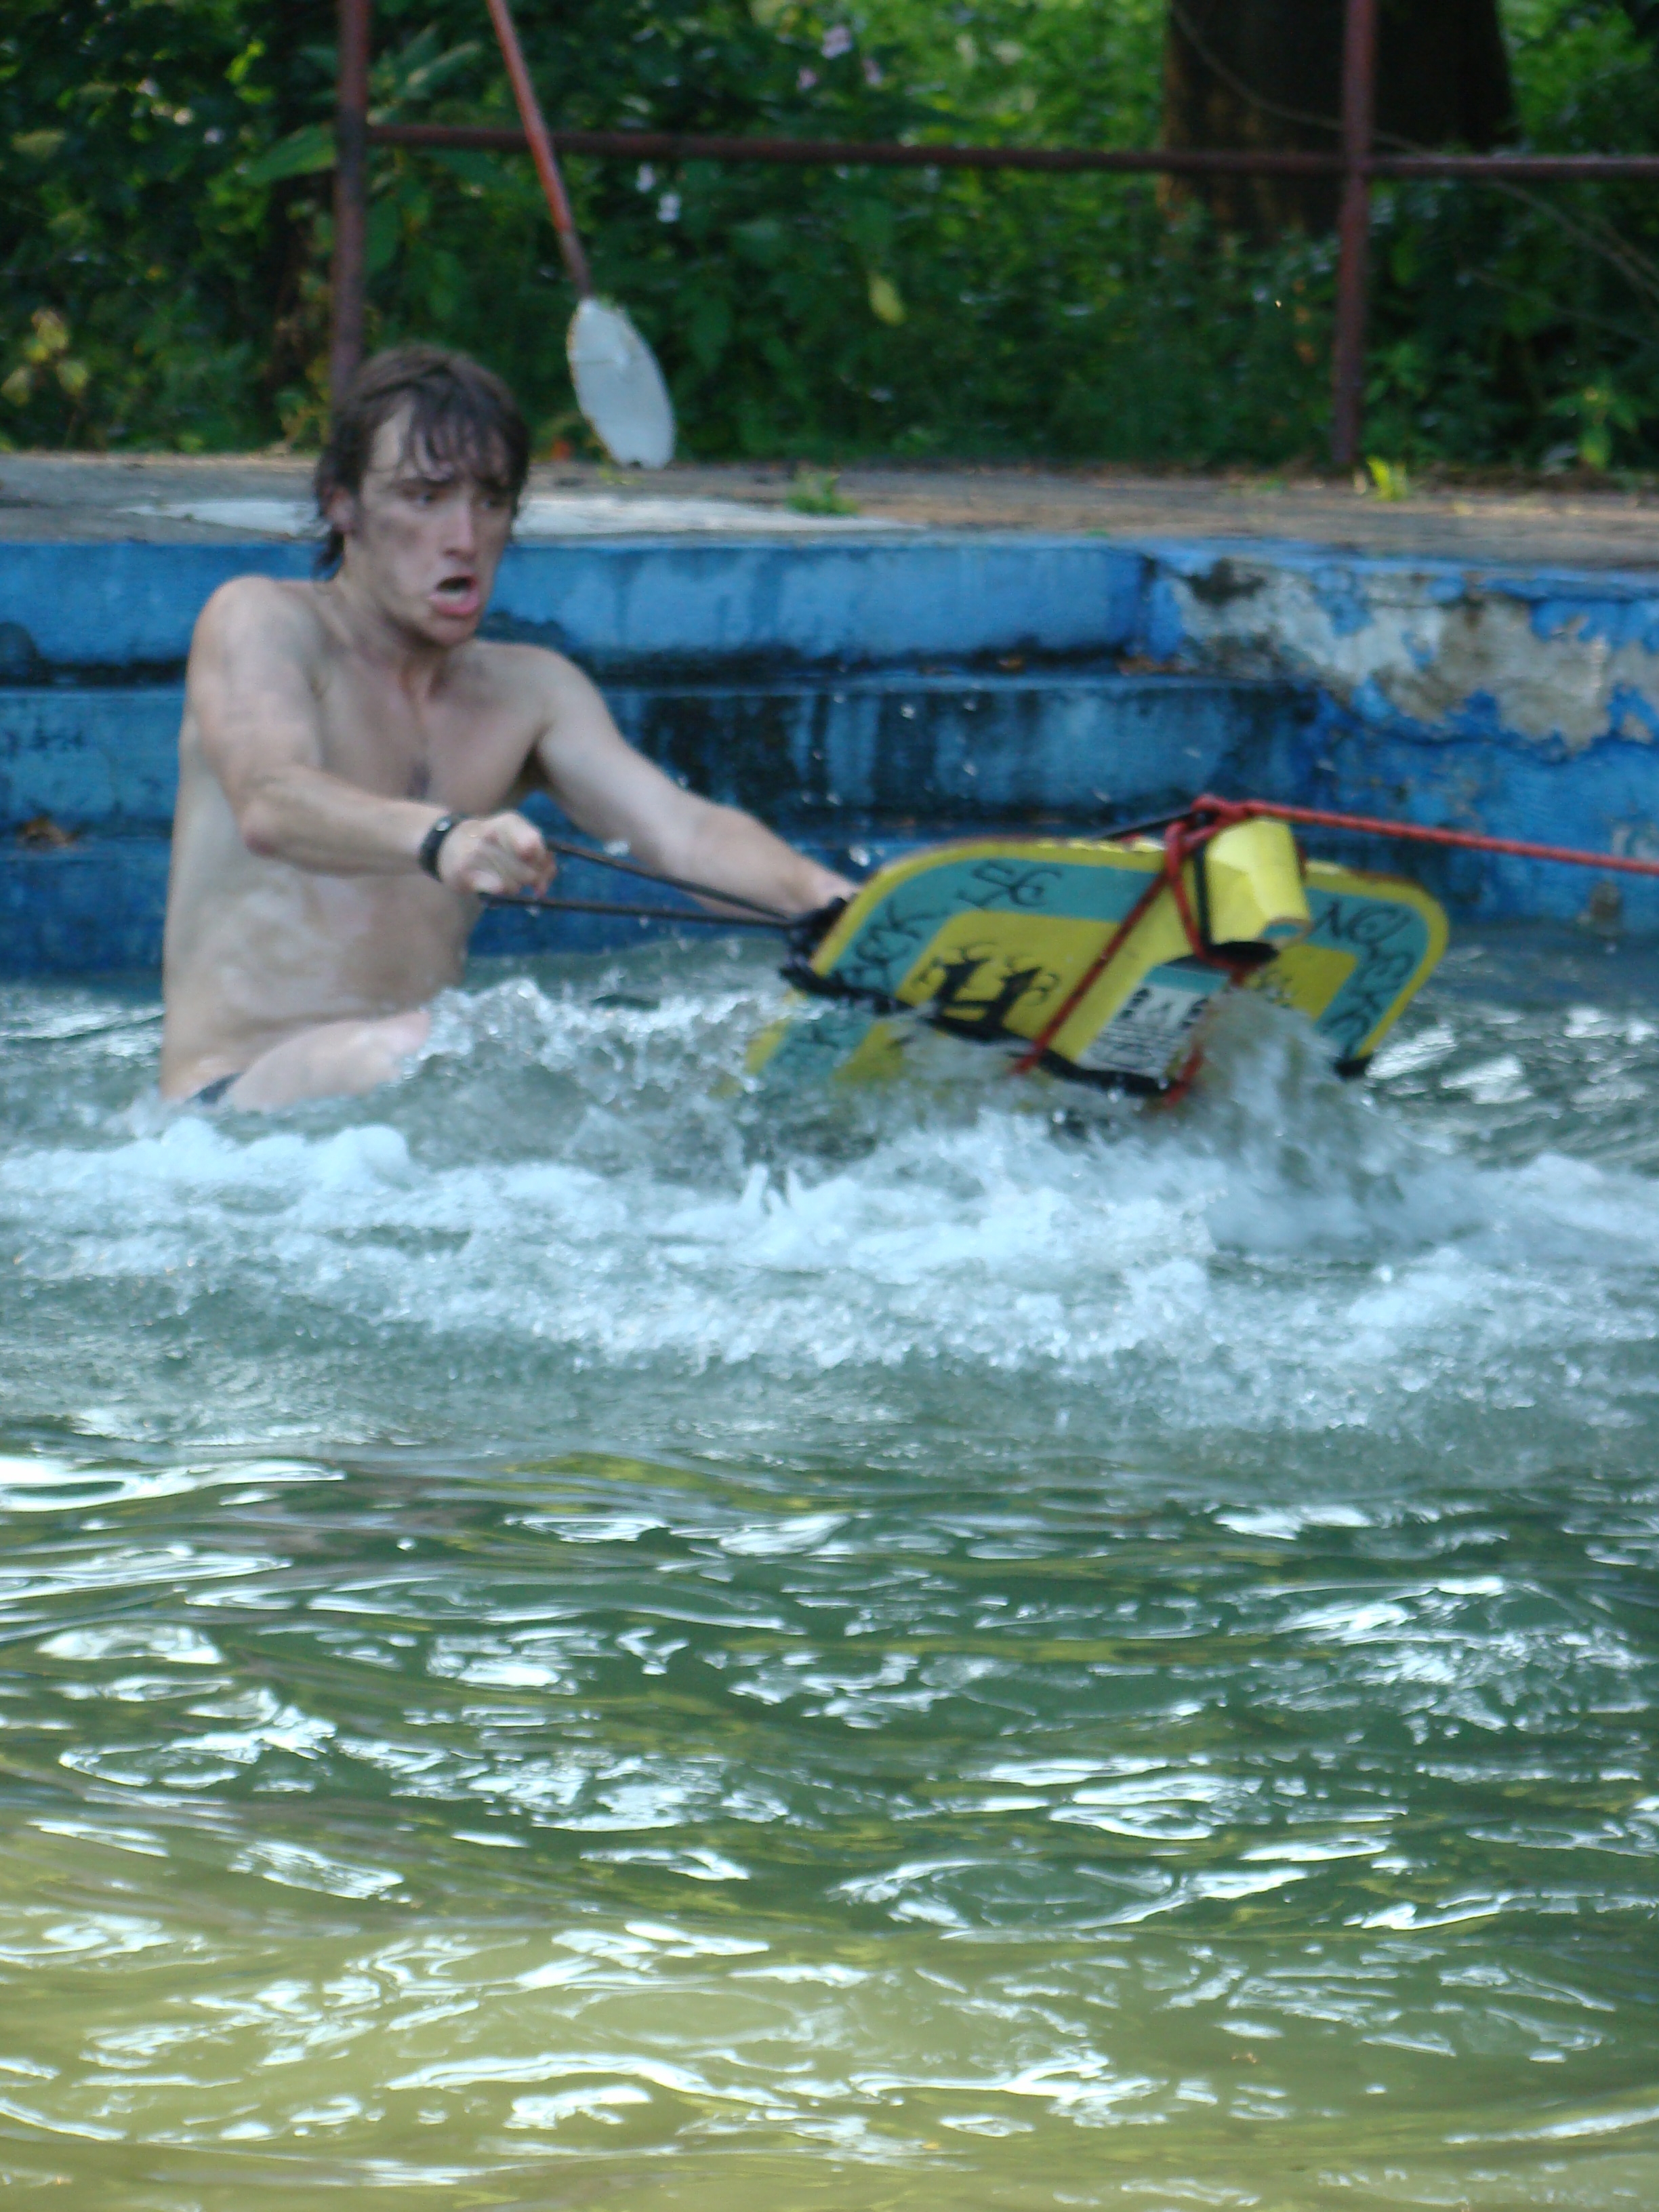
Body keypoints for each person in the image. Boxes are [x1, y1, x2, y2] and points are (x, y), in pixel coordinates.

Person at [159, 345, 851, 1110]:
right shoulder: (262, 619)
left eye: (490, 501)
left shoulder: (532, 691)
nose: (463, 536)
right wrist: (444, 838)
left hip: (401, 1108)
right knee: (423, 1054)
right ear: (342, 504)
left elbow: (683, 833)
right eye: (424, 497)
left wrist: (829, 901)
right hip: (223, 1111)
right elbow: (271, 801)